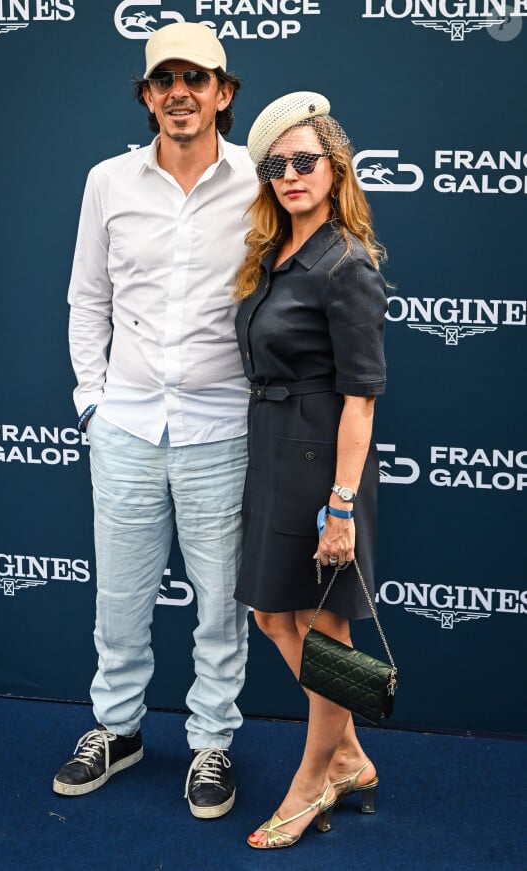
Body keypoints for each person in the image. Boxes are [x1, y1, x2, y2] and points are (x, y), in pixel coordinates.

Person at [54, 22, 258, 820]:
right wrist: (92, 403)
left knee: (219, 604)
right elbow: (87, 299)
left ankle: (212, 742)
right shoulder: (108, 180)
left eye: (196, 79)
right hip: (127, 426)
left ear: (224, 93)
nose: (180, 92)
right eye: (164, 79)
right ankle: (118, 729)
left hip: (225, 427)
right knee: (121, 598)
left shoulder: (260, 179)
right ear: (147, 96)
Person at [233, 92, 388, 849]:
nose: (291, 174)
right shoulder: (274, 254)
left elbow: (361, 402)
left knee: (323, 628)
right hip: (271, 449)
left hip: (323, 462)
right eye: (276, 165)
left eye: (305, 160)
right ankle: (352, 754)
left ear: (334, 166)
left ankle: (310, 781)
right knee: (271, 615)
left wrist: (342, 505)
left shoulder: (346, 263)